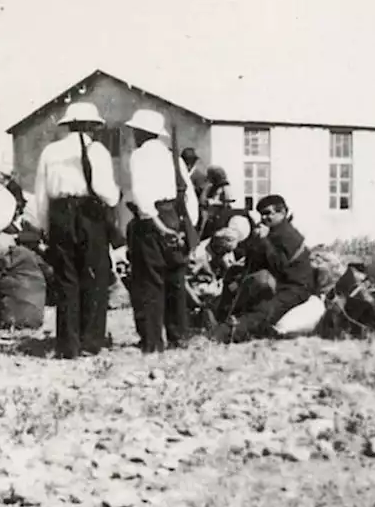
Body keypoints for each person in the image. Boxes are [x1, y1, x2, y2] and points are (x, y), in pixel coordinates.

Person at [28, 102, 121, 358]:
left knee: (66, 278)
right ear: (92, 125)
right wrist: (113, 199)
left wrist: (46, 227)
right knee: (93, 276)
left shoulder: (51, 151)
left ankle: (68, 345)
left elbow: (41, 193)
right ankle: (90, 341)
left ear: (68, 124)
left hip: (60, 215)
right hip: (89, 214)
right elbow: (106, 192)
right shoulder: (97, 150)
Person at [125, 109, 198, 354]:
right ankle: (179, 336)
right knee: (175, 279)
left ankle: (152, 341)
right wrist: (186, 229)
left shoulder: (139, 156)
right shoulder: (173, 157)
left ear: (141, 132)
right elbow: (189, 196)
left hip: (152, 219)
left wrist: (159, 226)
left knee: (149, 282)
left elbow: (141, 195)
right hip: (175, 216)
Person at [211, 195, 313, 343]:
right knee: (234, 280)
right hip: (277, 283)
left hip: (294, 288)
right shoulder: (272, 232)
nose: (264, 218)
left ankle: (227, 333)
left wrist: (264, 241)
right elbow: (254, 261)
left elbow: (279, 266)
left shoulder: (290, 236)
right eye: (261, 214)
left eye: (268, 213)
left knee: (264, 310)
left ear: (282, 212)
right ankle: (221, 318)